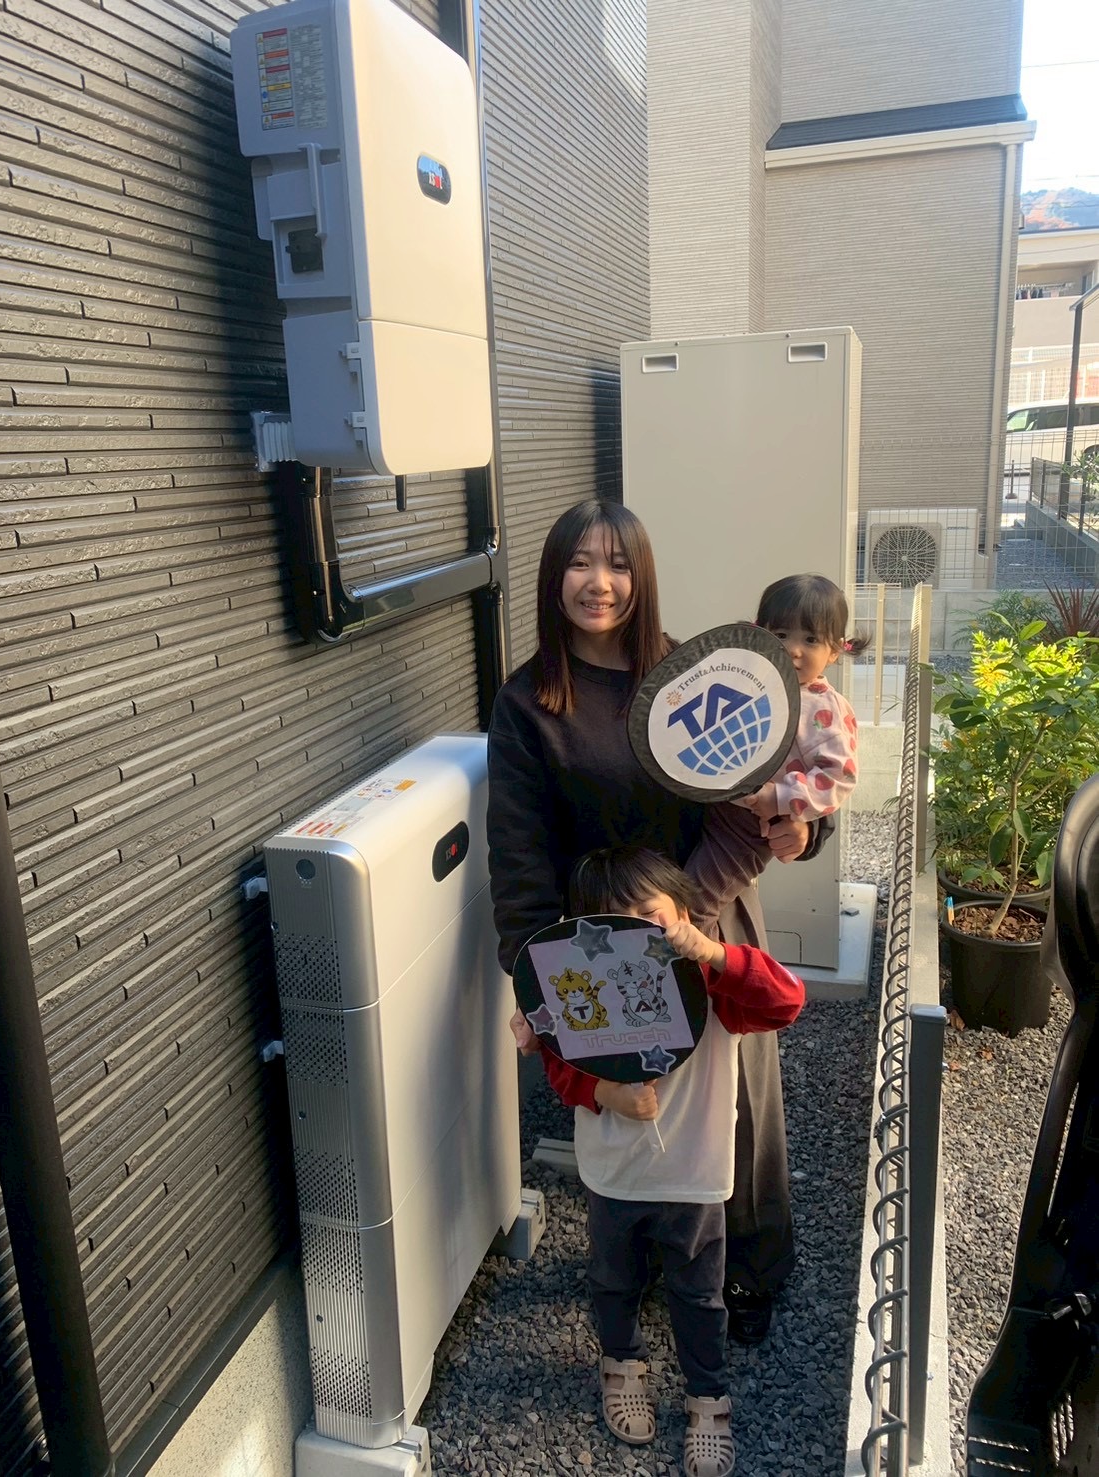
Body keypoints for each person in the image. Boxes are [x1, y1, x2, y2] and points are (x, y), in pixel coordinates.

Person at [485, 498, 828, 1344]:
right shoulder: (527, 704)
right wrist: (534, 977)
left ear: (641, 576)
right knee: (628, 1101)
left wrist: (807, 830)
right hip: (602, 944)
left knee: (735, 1106)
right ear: (553, 575)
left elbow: (773, 769)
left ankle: (748, 1265)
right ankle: (637, 1266)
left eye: (617, 563)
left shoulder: (688, 673)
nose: (598, 582)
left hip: (708, 917)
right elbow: (519, 858)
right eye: (580, 562)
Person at [538, 847, 804, 1475]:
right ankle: (622, 1364)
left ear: (683, 911)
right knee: (613, 1278)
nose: (634, 930)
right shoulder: (582, 992)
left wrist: (715, 954)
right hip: (614, 1173)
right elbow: (558, 1063)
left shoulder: (711, 985)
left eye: (647, 912)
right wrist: (606, 1093)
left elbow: (786, 1001)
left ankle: (708, 1397)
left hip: (695, 1174)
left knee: (700, 1292)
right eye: (613, 922)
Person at [734, 573, 864, 827]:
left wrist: (782, 797)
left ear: (834, 651)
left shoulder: (823, 707)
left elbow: (839, 776)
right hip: (717, 807)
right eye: (781, 635)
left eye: (811, 640)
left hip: (763, 820)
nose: (792, 650)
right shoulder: (749, 683)